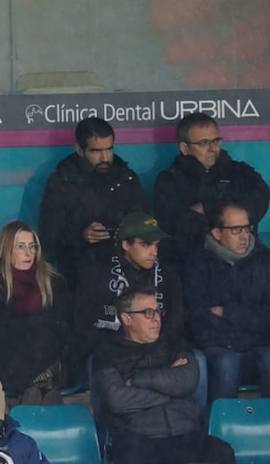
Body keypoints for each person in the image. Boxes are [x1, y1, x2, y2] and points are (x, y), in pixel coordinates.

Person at [91, 288, 235, 464]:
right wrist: (170, 387)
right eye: (147, 313)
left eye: (157, 311)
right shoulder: (108, 352)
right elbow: (117, 399)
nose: (156, 318)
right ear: (127, 318)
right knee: (127, 463)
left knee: (222, 451)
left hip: (184, 435)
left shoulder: (173, 343)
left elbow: (187, 380)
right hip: (139, 437)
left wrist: (139, 380)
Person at [74, 212, 188, 376]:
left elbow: (176, 321)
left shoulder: (168, 274)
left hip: (159, 348)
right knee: (97, 363)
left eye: (156, 245)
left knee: (194, 361)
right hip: (112, 351)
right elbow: (85, 324)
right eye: (146, 245)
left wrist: (156, 346)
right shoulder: (97, 273)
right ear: (126, 245)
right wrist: (128, 346)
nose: (154, 252)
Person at [0, 222, 73, 403]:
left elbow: (62, 330)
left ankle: (36, 388)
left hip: (49, 358)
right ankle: (40, 388)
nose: (28, 253)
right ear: (6, 250)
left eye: (32, 247)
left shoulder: (53, 282)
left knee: (42, 328)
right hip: (11, 363)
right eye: (21, 247)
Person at [154, 112, 270, 265]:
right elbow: (174, 225)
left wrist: (205, 208)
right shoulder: (169, 181)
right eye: (204, 143)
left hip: (245, 259)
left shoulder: (241, 172)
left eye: (216, 141)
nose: (213, 148)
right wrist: (228, 210)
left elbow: (259, 202)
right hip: (194, 262)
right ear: (185, 147)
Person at [39, 116, 144, 283]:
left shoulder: (127, 179)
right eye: (95, 151)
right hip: (77, 278)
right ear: (80, 150)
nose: (105, 158)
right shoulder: (61, 182)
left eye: (109, 149)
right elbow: (48, 237)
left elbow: (142, 227)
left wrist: (119, 232)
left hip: (123, 275)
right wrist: (82, 235)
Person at [184, 200, 270, 402]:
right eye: (236, 230)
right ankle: (218, 431)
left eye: (247, 228)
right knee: (226, 363)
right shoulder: (197, 264)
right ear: (216, 233)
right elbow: (197, 318)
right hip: (219, 347)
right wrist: (249, 321)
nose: (244, 236)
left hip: (258, 344)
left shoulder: (264, 260)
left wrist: (228, 312)